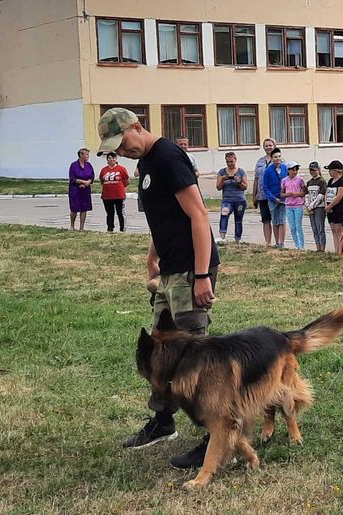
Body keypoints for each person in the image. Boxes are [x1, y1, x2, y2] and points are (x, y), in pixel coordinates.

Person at [97, 107, 219, 469]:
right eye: (114, 148)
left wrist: (200, 275)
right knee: (159, 351)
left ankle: (217, 433)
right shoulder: (147, 163)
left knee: (193, 357)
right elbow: (164, 217)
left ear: (138, 127)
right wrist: (153, 257)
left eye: (124, 142)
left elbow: (198, 215)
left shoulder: (167, 157)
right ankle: (164, 423)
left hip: (189, 269)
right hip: (170, 270)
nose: (122, 151)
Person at [215, 151, 248, 244]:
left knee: (238, 219)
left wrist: (239, 182)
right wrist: (222, 179)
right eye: (227, 162)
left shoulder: (241, 171)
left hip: (239, 200)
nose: (230, 164)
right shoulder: (221, 172)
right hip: (227, 199)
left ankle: (237, 239)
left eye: (231, 162)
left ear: (235, 160)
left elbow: (245, 187)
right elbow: (218, 187)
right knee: (224, 214)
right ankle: (222, 237)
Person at [262, 148, 289, 249]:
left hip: (283, 198)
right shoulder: (268, 171)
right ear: (272, 158)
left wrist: (285, 196)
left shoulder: (285, 168)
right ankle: (277, 241)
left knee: (282, 220)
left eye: (279, 156)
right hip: (272, 199)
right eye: (275, 157)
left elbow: (288, 182)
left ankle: (281, 242)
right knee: (275, 220)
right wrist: (273, 198)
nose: (278, 159)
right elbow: (265, 187)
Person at [252, 138, 276, 245]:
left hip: (274, 195)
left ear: (274, 146)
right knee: (265, 219)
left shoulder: (279, 160)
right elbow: (256, 179)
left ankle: (279, 242)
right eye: (266, 146)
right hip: (262, 195)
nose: (268, 147)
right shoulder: (260, 161)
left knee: (276, 219)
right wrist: (254, 195)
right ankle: (267, 242)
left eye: (270, 145)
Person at [99, 151, 130, 232]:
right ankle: (110, 228)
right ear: (107, 160)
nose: (111, 159)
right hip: (107, 195)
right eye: (109, 158)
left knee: (120, 212)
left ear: (116, 159)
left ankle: (122, 228)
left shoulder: (121, 169)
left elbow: (127, 181)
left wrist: (121, 187)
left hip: (119, 195)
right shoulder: (104, 170)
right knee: (109, 213)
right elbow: (102, 181)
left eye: (113, 158)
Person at [282, 161, 307, 250]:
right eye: (293, 170)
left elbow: (305, 191)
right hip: (289, 205)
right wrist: (287, 194)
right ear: (288, 170)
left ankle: (302, 245)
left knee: (298, 226)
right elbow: (281, 194)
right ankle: (297, 244)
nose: (295, 171)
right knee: (292, 227)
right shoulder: (284, 180)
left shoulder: (300, 179)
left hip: (298, 205)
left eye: (296, 170)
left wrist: (298, 194)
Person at [325, 160, 343, 254]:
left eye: (330, 170)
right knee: (334, 231)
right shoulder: (330, 181)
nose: (329, 172)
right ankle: (336, 250)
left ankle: (340, 251)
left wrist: (330, 206)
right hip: (330, 210)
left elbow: (339, 196)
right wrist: (326, 206)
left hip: (339, 209)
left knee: (339, 231)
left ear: (336, 170)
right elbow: (326, 193)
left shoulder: (342, 181)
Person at [68, 148, 95, 231]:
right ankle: (72, 226)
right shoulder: (74, 165)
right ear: (81, 155)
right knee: (74, 208)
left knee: (84, 208)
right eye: (86, 154)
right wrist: (82, 182)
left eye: (88, 154)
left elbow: (92, 176)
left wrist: (88, 182)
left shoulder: (89, 165)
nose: (88, 156)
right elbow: (72, 178)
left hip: (86, 189)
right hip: (75, 189)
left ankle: (81, 227)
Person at [305, 161, 327, 252]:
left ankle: (322, 248)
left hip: (319, 207)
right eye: (311, 170)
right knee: (314, 228)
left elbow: (321, 195)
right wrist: (307, 205)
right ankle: (317, 247)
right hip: (310, 208)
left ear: (318, 169)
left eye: (314, 170)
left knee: (320, 228)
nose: (312, 172)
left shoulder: (322, 181)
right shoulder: (309, 182)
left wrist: (311, 206)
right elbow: (306, 195)